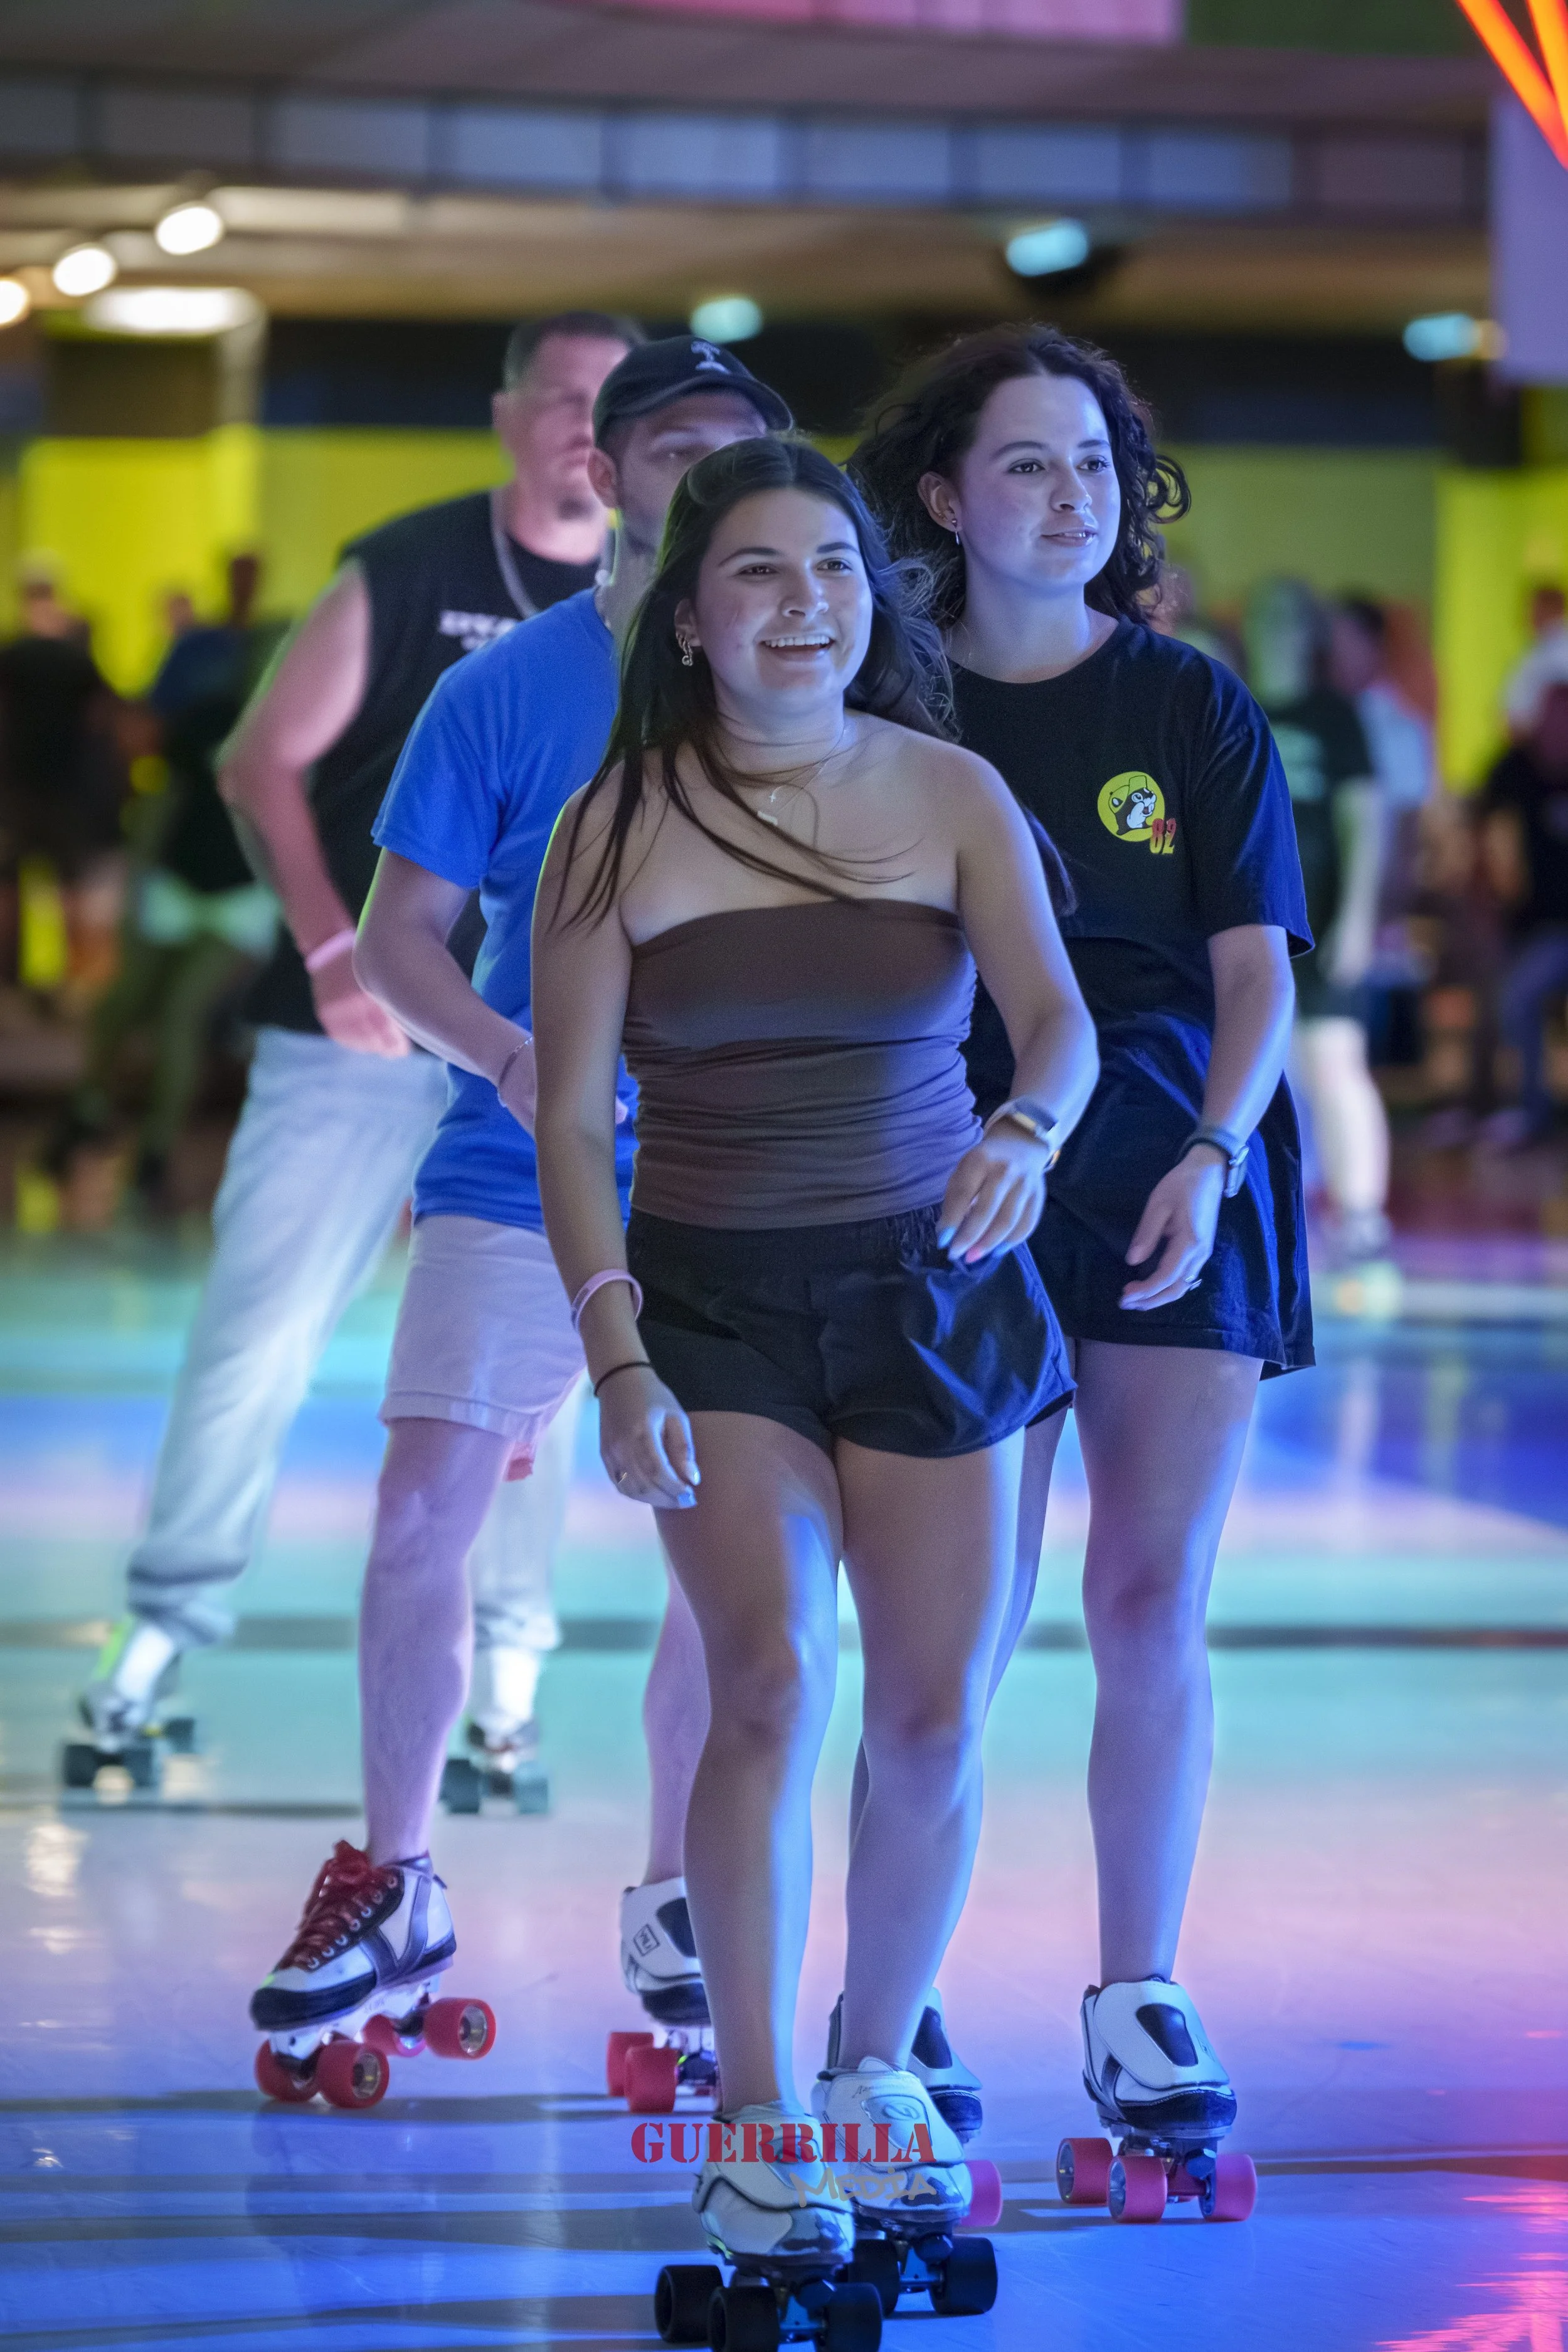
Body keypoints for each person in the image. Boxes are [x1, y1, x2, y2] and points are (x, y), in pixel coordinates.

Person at [528, 437, 1097, 2261]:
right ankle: (757, 2110)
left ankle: (870, 2070)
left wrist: (1019, 1133)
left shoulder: (945, 789)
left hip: (931, 1283)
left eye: (833, 569)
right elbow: (562, 1117)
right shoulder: (610, 822)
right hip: (709, 1300)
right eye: (757, 574)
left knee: (929, 1712)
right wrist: (613, 1347)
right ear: (686, 617)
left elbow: (1057, 1026)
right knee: (766, 1676)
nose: (802, 605)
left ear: (875, 595)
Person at [253, 339, 789, 2047]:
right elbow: (401, 934)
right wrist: (501, 1055)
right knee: (424, 1503)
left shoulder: (814, 681)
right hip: (514, 1162)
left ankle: (682, 1896)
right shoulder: (502, 688)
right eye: (671, 450)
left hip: (745, 1177)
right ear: (607, 476)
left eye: (735, 451)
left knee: (733, 1555)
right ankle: (395, 1875)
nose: (701, 477)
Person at [852, 323, 1310, 2167]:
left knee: (1145, 1595)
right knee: (939, 1632)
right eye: (1024, 462)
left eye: (1093, 465)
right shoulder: (882, 704)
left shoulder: (1187, 703)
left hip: (1169, 1163)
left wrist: (1208, 1149)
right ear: (945, 498)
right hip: (949, 1166)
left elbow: (1254, 970)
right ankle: (891, 1994)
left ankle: (1136, 1992)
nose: (1066, 494)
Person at [77, 313, 641, 1770]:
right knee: (259, 1331)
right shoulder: (411, 568)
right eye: (559, 395)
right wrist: (336, 953)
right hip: (359, 1031)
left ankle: (508, 1682)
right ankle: (162, 1627)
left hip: (545, 1059)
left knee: (538, 1369)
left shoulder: (674, 607)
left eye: (610, 400)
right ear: (508, 411)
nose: (584, 423)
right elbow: (258, 760)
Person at [45, 556, 278, 1206]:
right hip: (176, 881)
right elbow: (165, 802)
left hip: (243, 901)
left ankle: (153, 1150)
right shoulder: (207, 719)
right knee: (123, 1003)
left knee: (180, 1015)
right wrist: (138, 883)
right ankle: (89, 1111)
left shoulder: (314, 739)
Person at [1242, 580, 1389, 1266]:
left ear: (1308, 635)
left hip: (1321, 913)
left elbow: (1366, 818)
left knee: (1335, 1063)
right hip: (1252, 914)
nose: (1276, 633)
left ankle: (1360, 1213)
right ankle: (1281, 1210)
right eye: (1265, 619)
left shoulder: (1335, 715)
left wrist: (1357, 919)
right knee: (1264, 1066)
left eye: (1287, 620)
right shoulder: (1229, 701)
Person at [1476, 679, 1568, 1149]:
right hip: (1536, 931)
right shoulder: (1517, 768)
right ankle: (1525, 1111)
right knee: (1511, 994)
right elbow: (1478, 818)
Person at [1503, 583, 1568, 741]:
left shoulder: (1560, 654)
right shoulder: (1538, 650)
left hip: (1549, 751)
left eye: (1534, 609)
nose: (1528, 615)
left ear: (1554, 609)